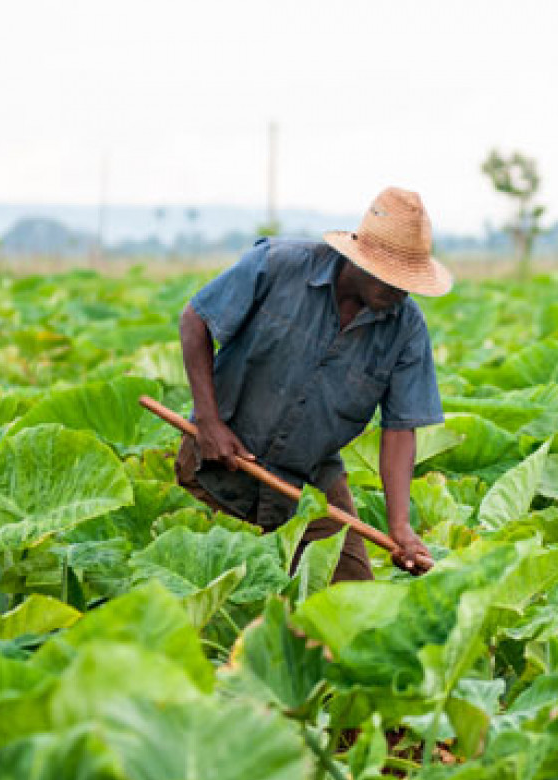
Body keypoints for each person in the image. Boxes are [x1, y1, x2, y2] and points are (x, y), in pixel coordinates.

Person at [176, 186, 452, 581]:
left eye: (407, 282)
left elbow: (399, 429)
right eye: (392, 280)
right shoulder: (277, 266)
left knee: (350, 593)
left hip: (308, 477)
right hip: (219, 462)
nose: (400, 292)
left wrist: (400, 526)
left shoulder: (406, 328)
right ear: (361, 259)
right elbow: (195, 319)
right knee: (220, 583)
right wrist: (209, 421)